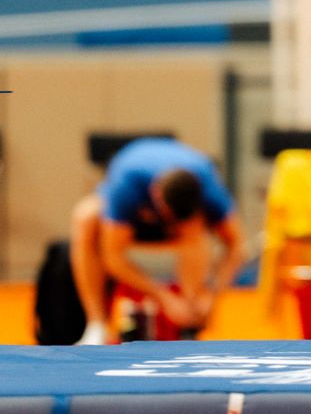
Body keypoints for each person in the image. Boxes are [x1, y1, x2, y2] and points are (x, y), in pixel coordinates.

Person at [67, 138, 247, 345]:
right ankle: (96, 325)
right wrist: (164, 298)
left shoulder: (209, 188)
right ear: (156, 194)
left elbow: (236, 246)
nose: (171, 225)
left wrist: (212, 294)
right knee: (84, 218)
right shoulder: (127, 184)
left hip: (185, 226)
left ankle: (190, 316)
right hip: (128, 222)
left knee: (194, 234)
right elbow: (112, 256)